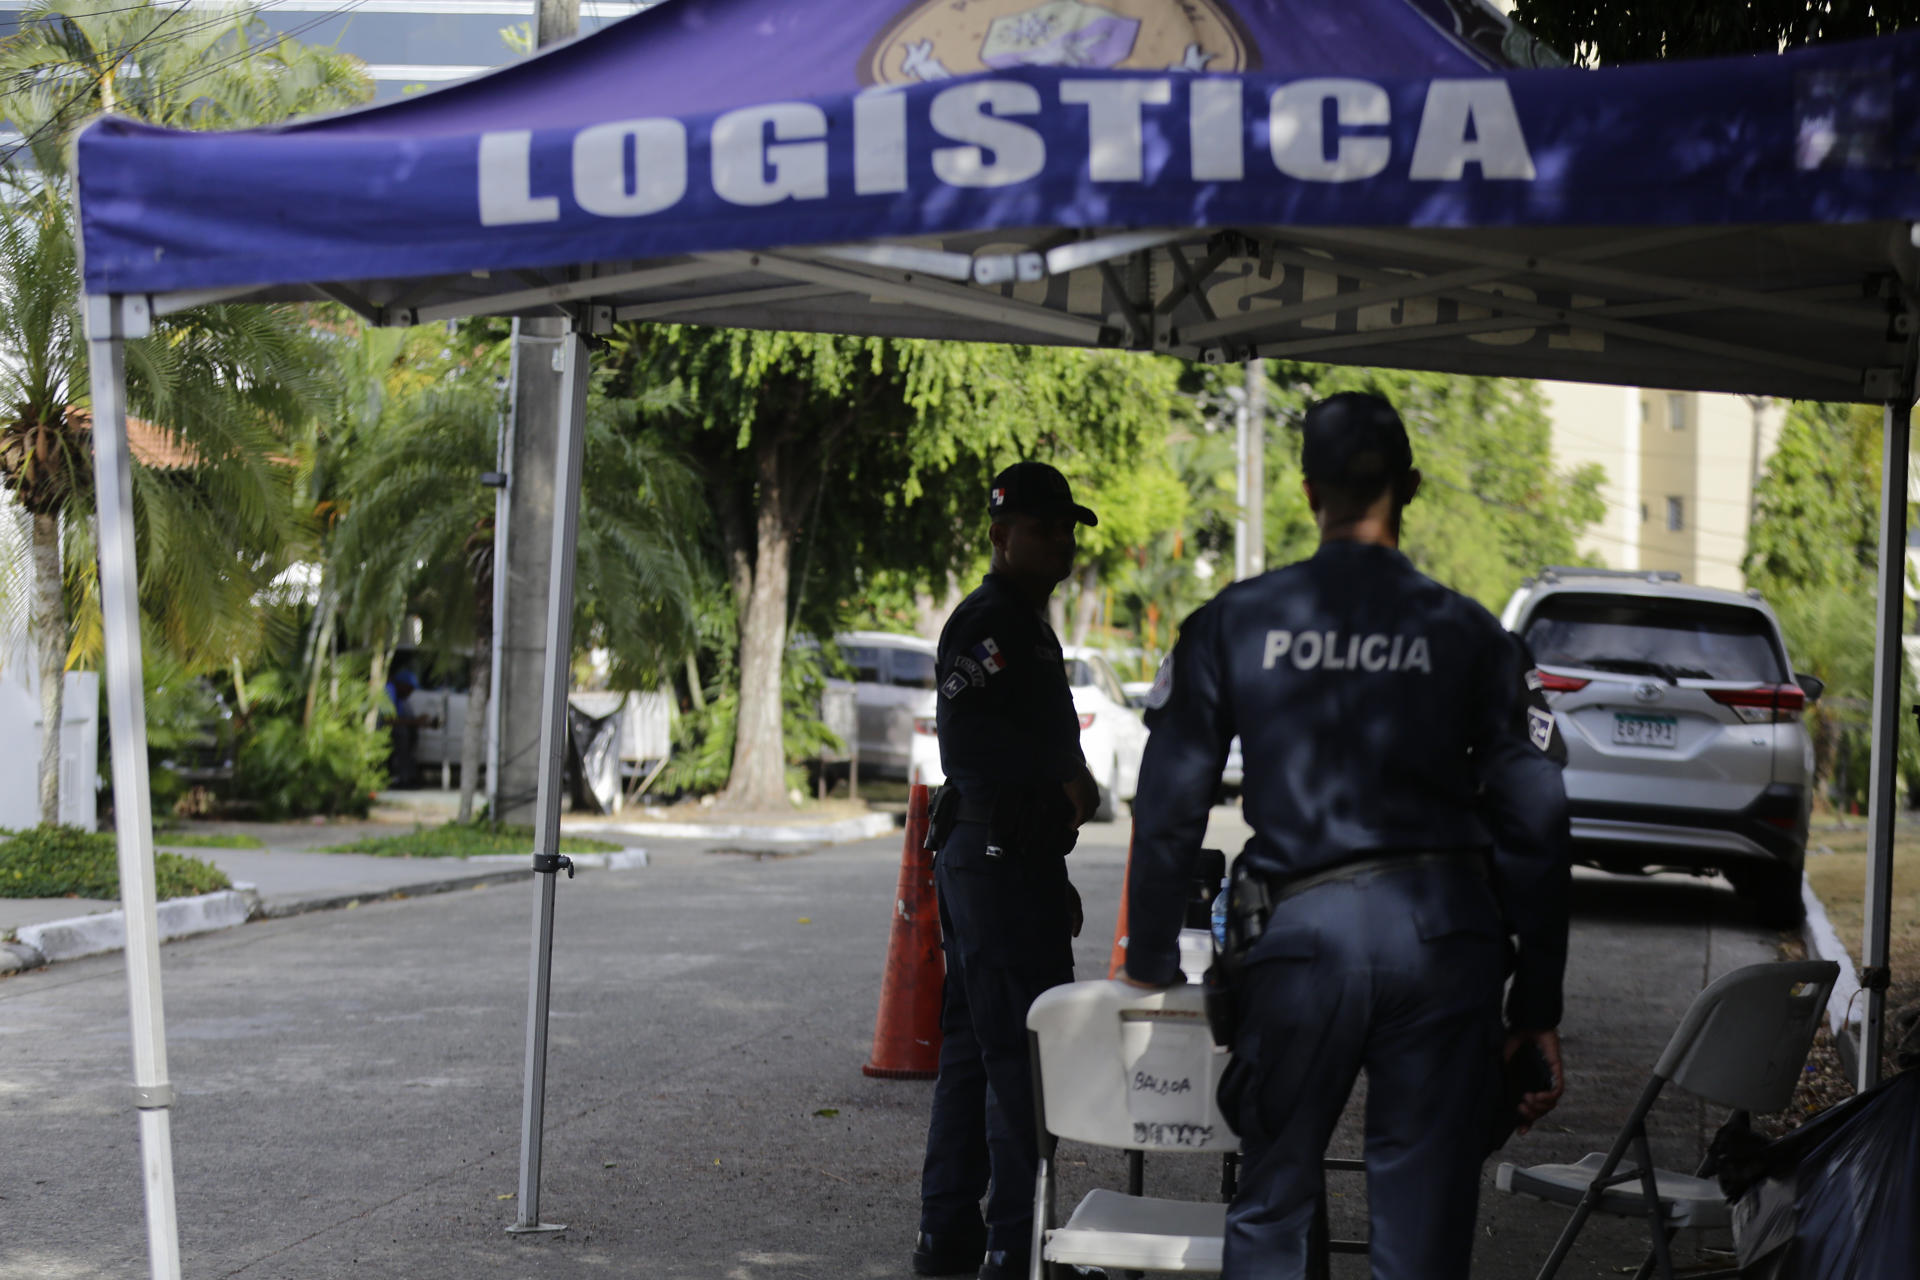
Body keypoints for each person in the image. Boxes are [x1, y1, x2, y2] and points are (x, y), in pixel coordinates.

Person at [1121, 392, 1572, 1280]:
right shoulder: (1472, 635)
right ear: (1409, 487)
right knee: (1424, 1220)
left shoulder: (1235, 622)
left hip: (1300, 948)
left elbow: (1168, 800)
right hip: (1444, 946)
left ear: (1306, 490)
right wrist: (1537, 1010)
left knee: (1274, 1205)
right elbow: (1540, 818)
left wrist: (1151, 957)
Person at [914, 462, 1103, 1280]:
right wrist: (1060, 774)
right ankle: (1015, 1246)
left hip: (1009, 862)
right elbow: (965, 742)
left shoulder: (1027, 621)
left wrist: (1048, 866)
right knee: (1021, 1056)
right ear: (1001, 535)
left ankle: (949, 1234)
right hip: (990, 862)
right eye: (1044, 526)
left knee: (976, 1050)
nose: (1061, 540)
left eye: (1067, 527)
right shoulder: (990, 620)